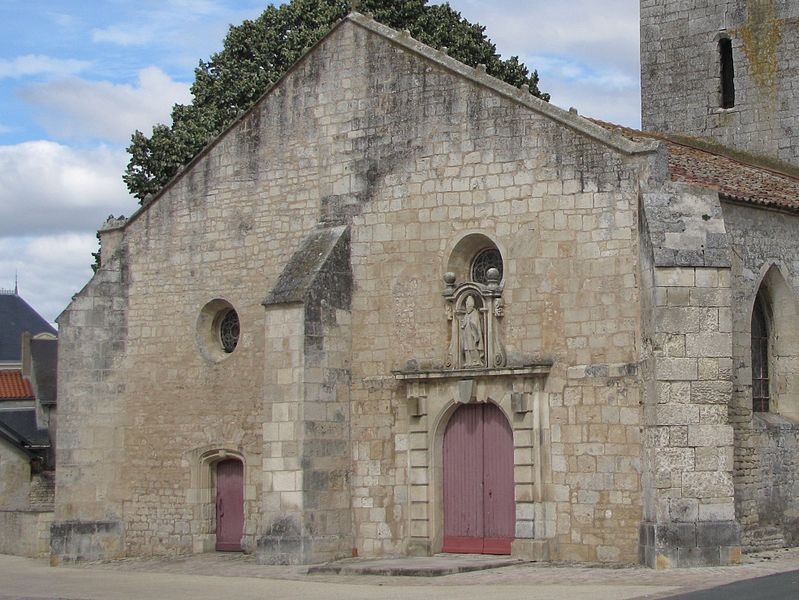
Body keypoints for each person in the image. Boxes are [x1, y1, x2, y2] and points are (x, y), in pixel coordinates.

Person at [460, 294, 484, 367]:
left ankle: (476, 361)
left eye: (468, 305)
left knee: (473, 347)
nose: (467, 307)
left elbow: (476, 323)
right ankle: (468, 361)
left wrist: (471, 322)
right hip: (466, 334)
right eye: (466, 305)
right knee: (466, 348)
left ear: (471, 305)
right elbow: (464, 322)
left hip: (472, 334)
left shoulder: (475, 313)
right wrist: (463, 323)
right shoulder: (466, 314)